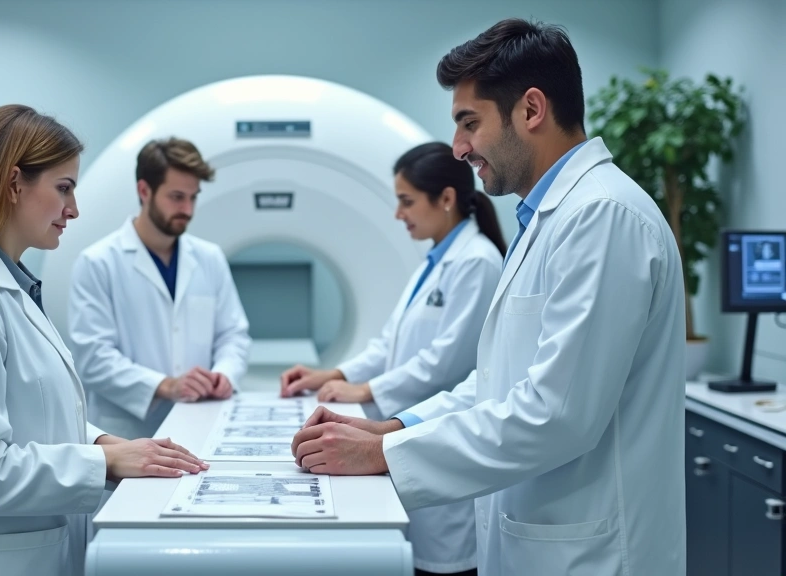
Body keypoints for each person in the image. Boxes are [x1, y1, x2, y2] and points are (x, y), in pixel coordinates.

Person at [291, 18, 686, 576]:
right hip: (541, 540)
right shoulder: (549, 220)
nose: (459, 147)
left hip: (593, 554)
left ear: (530, 110)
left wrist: (384, 456)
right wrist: (394, 429)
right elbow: (499, 379)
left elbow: (557, 415)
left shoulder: (602, 216)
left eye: (468, 123)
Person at [0, 105, 207, 576]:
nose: (73, 209)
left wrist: (107, 441)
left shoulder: (11, 287)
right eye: (64, 188)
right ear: (14, 184)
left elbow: (36, 416)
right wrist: (106, 461)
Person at [281, 142, 505, 575]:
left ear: (445, 198)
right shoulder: (436, 261)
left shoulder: (477, 262)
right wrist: (334, 373)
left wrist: (365, 389)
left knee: (446, 560)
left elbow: (444, 361)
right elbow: (390, 340)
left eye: (406, 201)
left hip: (443, 436)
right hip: (413, 435)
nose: (398, 214)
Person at [69, 137, 251, 440]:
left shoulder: (209, 258)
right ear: (144, 190)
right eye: (177, 197)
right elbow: (93, 358)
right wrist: (166, 385)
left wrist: (224, 374)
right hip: (128, 433)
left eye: (193, 197)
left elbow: (233, 335)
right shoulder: (98, 263)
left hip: (199, 420)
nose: (187, 209)